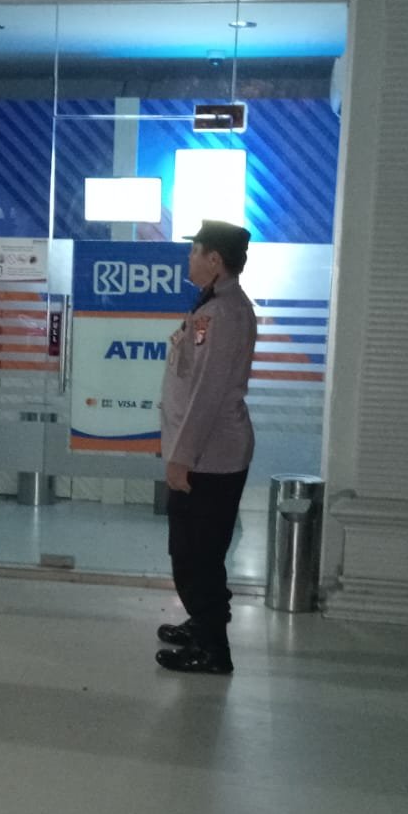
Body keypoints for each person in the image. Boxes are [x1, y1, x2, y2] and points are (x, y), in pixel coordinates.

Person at [155, 220, 257, 674]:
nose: (188, 258)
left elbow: (208, 392)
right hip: (206, 452)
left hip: (209, 457)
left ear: (214, 260)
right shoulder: (215, 305)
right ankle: (202, 623)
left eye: (194, 251)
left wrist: (182, 457)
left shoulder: (223, 314)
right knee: (195, 549)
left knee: (196, 555)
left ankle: (214, 649)